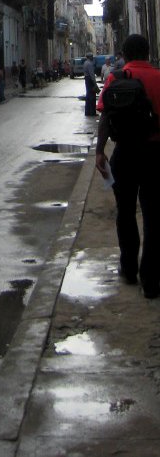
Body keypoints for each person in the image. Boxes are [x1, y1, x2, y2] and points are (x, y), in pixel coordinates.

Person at [95, 34, 160, 298]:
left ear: (125, 53)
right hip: (155, 154)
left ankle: (129, 268)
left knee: (125, 212)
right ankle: (151, 277)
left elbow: (105, 116)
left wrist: (100, 151)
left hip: (124, 154)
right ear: (147, 52)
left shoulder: (116, 78)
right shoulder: (158, 77)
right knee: (154, 215)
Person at [83, 52, 98, 116]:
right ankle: (92, 112)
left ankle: (87, 112)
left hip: (87, 79)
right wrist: (95, 83)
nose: (92, 57)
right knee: (92, 97)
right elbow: (92, 75)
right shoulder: (90, 64)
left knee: (88, 96)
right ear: (90, 57)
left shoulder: (85, 63)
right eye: (92, 56)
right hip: (90, 80)